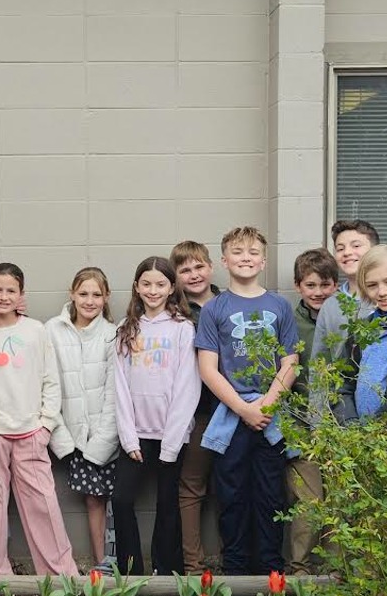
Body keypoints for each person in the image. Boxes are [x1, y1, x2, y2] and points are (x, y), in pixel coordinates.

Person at [0, 262, 77, 577]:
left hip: (30, 434)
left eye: (11, 290)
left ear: (21, 293)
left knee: (44, 506)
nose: (4, 296)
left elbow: (51, 380)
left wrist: (46, 425)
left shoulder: (35, 330)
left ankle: (59, 573)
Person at [195, 227, 299, 575]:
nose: (246, 258)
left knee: (271, 496)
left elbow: (291, 363)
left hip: (271, 417)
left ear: (264, 260)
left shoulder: (279, 306)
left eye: (253, 252)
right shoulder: (214, 310)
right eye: (237, 252)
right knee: (232, 496)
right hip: (231, 417)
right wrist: (243, 409)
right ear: (224, 260)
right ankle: (236, 572)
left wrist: (266, 406)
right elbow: (208, 369)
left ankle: (271, 570)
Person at [111, 258, 201, 576]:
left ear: (171, 288)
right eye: (146, 284)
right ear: (137, 287)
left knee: (168, 505)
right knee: (121, 500)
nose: (153, 290)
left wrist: (172, 442)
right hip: (135, 434)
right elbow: (119, 386)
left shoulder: (182, 329)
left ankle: (165, 572)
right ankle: (131, 572)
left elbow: (187, 387)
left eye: (160, 284)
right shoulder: (126, 329)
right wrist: (128, 436)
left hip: (170, 435)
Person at [47, 267, 118, 571]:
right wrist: (63, 439)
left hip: (106, 434)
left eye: (97, 294)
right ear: (72, 294)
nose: (89, 301)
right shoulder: (51, 330)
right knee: (91, 498)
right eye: (83, 293)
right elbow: (47, 386)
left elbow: (115, 392)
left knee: (109, 499)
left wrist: (102, 441)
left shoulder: (112, 334)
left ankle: (110, 562)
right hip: (71, 433)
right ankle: (97, 561)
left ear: (106, 297)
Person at [170, 241, 222, 573]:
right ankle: (194, 566)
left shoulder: (229, 304)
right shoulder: (174, 313)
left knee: (230, 487)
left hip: (233, 408)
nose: (194, 274)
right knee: (192, 487)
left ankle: (235, 563)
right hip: (197, 412)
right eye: (185, 269)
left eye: (199, 266)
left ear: (211, 267)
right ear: (175, 276)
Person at [288, 249, 338, 569]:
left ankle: (334, 572)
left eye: (325, 284)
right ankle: (300, 571)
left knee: (338, 501)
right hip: (303, 425)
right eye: (310, 285)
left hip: (340, 426)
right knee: (309, 502)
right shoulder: (290, 323)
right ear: (298, 286)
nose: (318, 292)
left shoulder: (345, 319)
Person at [336, 245, 387, 422]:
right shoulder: (361, 331)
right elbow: (342, 384)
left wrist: (377, 432)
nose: (382, 292)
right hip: (357, 439)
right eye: (372, 285)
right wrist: (350, 424)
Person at [309, 220, 378, 367]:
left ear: (374, 250)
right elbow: (319, 362)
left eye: (356, 246)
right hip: (341, 389)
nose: (347, 252)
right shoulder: (330, 306)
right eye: (340, 249)